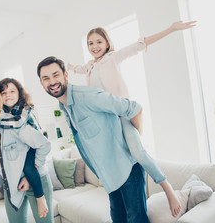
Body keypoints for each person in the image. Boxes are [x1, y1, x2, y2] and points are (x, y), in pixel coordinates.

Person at [66, 21, 196, 217]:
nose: (95, 47)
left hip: (122, 116)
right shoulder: (90, 66)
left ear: (107, 43)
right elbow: (75, 69)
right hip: (106, 123)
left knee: (138, 153)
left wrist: (171, 29)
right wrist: (66, 67)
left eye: (99, 42)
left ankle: (168, 189)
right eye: (90, 43)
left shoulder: (113, 57)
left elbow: (140, 44)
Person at [37, 56, 149, 222]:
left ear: (66, 75)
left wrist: (135, 143)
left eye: (56, 75)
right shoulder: (64, 106)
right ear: (41, 83)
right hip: (109, 177)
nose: (52, 81)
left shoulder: (88, 95)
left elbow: (134, 109)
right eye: (46, 78)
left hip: (128, 169)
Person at [0, 78, 54, 223]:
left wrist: (31, 176)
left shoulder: (12, 121)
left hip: (35, 180)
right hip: (11, 186)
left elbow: (44, 145)